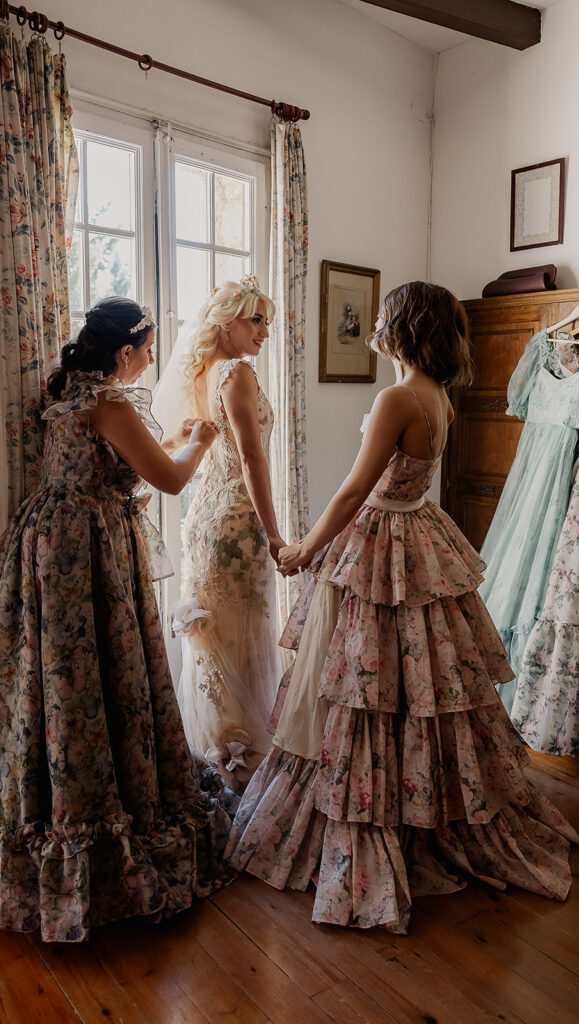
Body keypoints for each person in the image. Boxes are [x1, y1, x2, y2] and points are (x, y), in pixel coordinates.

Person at [226, 281, 577, 934]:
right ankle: (420, 796)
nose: (377, 324)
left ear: (404, 326)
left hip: (380, 539)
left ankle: (368, 807)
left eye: (386, 316)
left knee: (366, 686)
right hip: (416, 531)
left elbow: (355, 489)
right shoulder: (436, 394)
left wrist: (303, 547)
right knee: (413, 683)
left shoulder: (397, 395)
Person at [0, 297, 235, 942]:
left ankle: (39, 795)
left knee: (46, 680)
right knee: (87, 679)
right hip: (84, 553)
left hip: (46, 542)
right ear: (125, 352)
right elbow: (166, 479)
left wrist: (165, 442)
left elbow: (117, 460)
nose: (155, 358)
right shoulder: (108, 402)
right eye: (149, 347)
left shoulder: (68, 395)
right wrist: (198, 442)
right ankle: (84, 819)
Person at [153, 276, 284, 793]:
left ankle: (222, 755)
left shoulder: (202, 371)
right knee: (241, 636)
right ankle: (245, 764)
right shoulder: (237, 372)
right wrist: (275, 536)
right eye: (257, 321)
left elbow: (174, 441)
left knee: (219, 637)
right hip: (237, 522)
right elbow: (252, 458)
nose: (264, 333)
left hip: (206, 519)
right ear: (226, 321)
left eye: (267, 323)